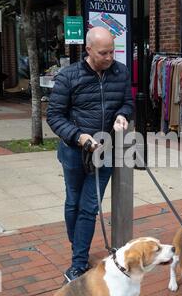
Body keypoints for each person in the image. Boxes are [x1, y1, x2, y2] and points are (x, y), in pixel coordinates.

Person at [47, 27, 133, 282]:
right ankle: (78, 246)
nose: (109, 57)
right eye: (103, 53)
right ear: (89, 50)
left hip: (104, 150)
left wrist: (123, 115)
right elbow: (54, 115)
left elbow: (128, 102)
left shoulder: (121, 72)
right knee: (73, 202)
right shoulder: (69, 76)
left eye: (112, 51)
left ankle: (78, 262)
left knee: (89, 207)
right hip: (75, 152)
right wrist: (78, 136)